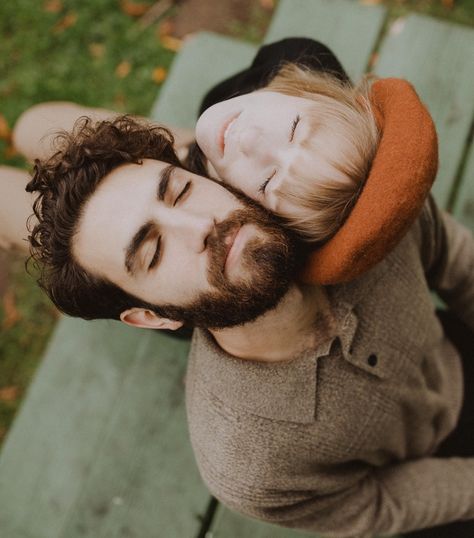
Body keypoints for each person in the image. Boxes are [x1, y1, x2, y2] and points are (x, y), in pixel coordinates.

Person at [2, 39, 474, 537]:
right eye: (153, 251)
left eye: (180, 190)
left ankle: (179, 159)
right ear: (151, 318)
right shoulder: (247, 462)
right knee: (74, 240)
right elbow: (371, 507)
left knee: (40, 126)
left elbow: (458, 262)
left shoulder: (360, 212)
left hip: (246, 247)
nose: (199, 227)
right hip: (215, 306)